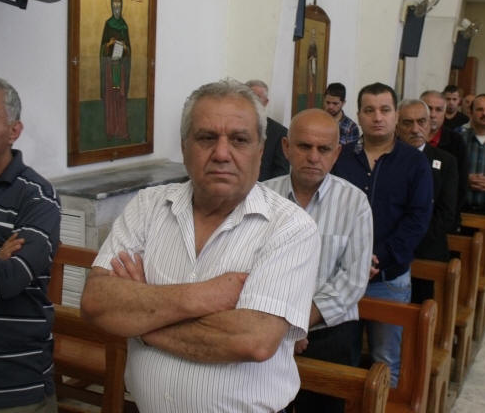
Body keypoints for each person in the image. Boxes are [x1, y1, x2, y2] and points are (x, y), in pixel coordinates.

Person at [80, 79, 320, 413]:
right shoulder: (148, 206)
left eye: (239, 140)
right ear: (184, 147)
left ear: (260, 150)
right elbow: (96, 303)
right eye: (206, 138)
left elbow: (252, 340)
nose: (221, 154)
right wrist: (204, 295)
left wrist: (143, 322)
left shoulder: (290, 228)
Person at [265, 109, 372, 413]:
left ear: (336, 154)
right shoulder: (262, 197)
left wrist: (297, 323)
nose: (313, 157)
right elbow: (249, 267)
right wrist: (282, 326)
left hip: (329, 333)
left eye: (323, 149)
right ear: (286, 147)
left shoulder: (354, 202)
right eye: (304, 146)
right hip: (267, 329)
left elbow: (352, 280)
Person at [332, 82, 433, 387]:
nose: (377, 117)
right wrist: (349, 260)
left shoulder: (414, 162)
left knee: (386, 361)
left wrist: (379, 258)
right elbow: (330, 212)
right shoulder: (340, 158)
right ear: (359, 115)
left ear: (395, 115)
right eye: (369, 110)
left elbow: (417, 219)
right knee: (340, 359)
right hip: (339, 275)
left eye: (385, 110)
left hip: (388, 279)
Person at [0, 75, 61, 412]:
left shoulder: (36, 197)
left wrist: (0, 269)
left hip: (9, 386)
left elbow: (9, 278)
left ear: (14, 131)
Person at [396, 99, 458, 303]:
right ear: (397, 125)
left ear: (430, 124)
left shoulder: (446, 161)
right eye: (407, 123)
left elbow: (446, 214)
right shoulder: (387, 158)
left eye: (421, 122)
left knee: (424, 309)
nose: (415, 129)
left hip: (428, 249)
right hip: (392, 250)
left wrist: (410, 241)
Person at [421, 90, 468, 229]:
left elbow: (461, 186)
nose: (433, 114)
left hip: (441, 220)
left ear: (445, 113)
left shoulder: (456, 141)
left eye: (439, 110)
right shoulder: (407, 138)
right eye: (428, 108)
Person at [100, 0, 131, 140]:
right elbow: (102, 48)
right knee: (111, 98)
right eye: (114, 1)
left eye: (118, 1)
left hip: (121, 67)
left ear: (122, 4)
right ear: (111, 4)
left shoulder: (124, 26)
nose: (116, 4)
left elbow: (129, 49)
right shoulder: (108, 24)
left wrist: (124, 47)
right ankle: (111, 131)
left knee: (120, 99)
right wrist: (109, 44)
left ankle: (121, 130)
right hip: (109, 68)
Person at [246, 79, 290, 181]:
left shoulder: (279, 133)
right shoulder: (231, 127)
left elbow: (281, 172)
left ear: (266, 102)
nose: (253, 101)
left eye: (257, 98)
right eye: (249, 97)